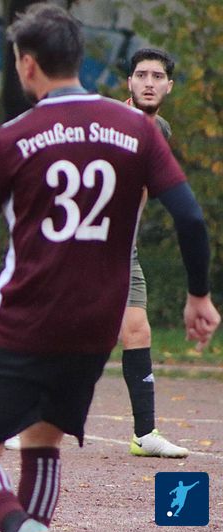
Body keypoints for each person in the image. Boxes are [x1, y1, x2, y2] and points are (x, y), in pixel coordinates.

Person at [0, 4, 219, 532]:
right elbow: (190, 218)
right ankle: (33, 529)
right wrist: (199, 295)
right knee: (42, 442)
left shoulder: (13, 136)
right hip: (96, 319)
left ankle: (22, 528)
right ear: (78, 58)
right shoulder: (138, 129)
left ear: (27, 64)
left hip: (27, 315)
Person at [121, 47, 189, 458]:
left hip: (122, 252)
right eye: (142, 75)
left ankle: (144, 434)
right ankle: (22, 424)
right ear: (129, 82)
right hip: (81, 247)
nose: (149, 82)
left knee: (138, 331)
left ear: (169, 86)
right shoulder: (108, 123)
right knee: (61, 334)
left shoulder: (160, 129)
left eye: (157, 76)